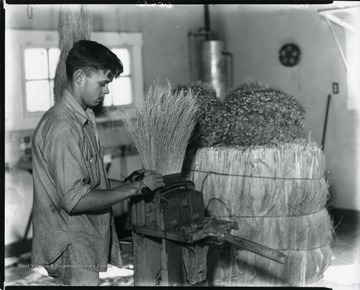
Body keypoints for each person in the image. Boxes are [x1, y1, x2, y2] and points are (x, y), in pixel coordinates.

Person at [31, 40, 165, 286]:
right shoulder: (62, 127)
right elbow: (76, 200)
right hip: (71, 244)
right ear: (80, 77)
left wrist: (128, 181)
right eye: (102, 83)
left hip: (83, 239)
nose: (106, 91)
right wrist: (137, 188)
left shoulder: (81, 119)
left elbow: (92, 183)